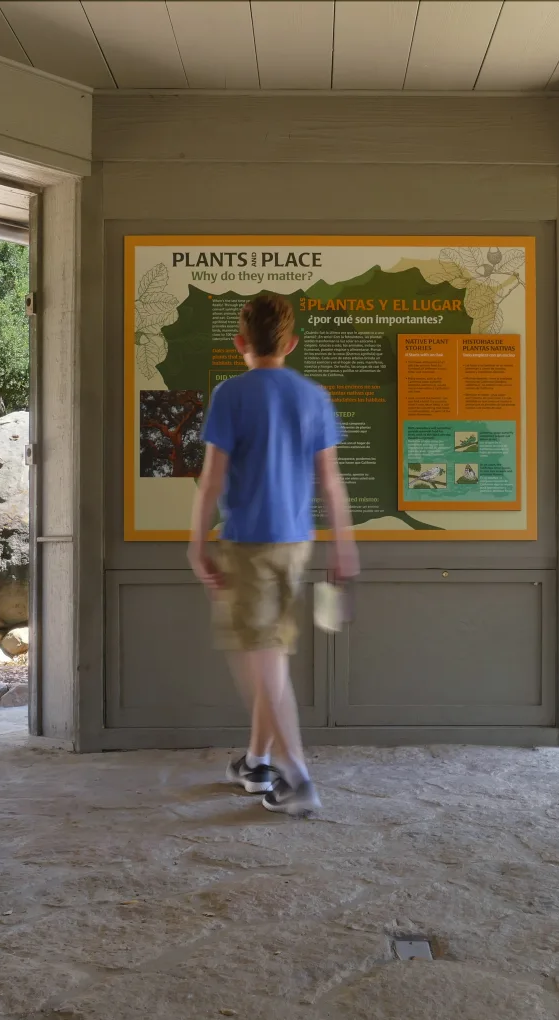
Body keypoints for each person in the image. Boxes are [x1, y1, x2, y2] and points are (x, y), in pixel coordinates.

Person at [187, 291, 358, 817]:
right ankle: (257, 760)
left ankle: (296, 776)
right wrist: (345, 543)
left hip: (247, 545)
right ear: (292, 343)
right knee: (271, 653)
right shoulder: (314, 396)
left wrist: (197, 543)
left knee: (261, 661)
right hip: (295, 546)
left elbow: (212, 479)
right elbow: (330, 482)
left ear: (241, 343)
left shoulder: (231, 395)